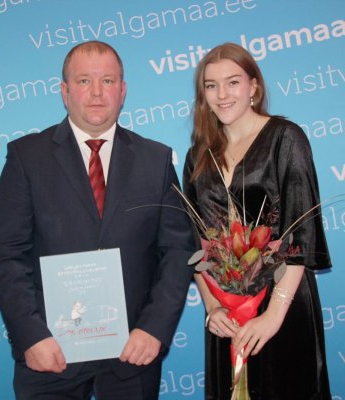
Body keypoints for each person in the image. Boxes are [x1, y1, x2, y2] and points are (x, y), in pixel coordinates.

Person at [0, 40, 195, 400]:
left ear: (123, 91)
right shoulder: (27, 157)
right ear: (65, 91)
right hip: (51, 353)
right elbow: (7, 253)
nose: (97, 92)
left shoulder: (156, 160)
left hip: (133, 352)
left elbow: (178, 252)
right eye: (84, 81)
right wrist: (31, 336)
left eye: (108, 81)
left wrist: (154, 329)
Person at [183, 42, 331, 399]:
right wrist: (212, 307)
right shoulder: (197, 155)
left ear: (254, 86)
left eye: (233, 82)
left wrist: (273, 316)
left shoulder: (285, 138)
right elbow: (193, 242)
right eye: (211, 85)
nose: (222, 95)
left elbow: (300, 236)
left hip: (282, 302)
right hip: (225, 312)